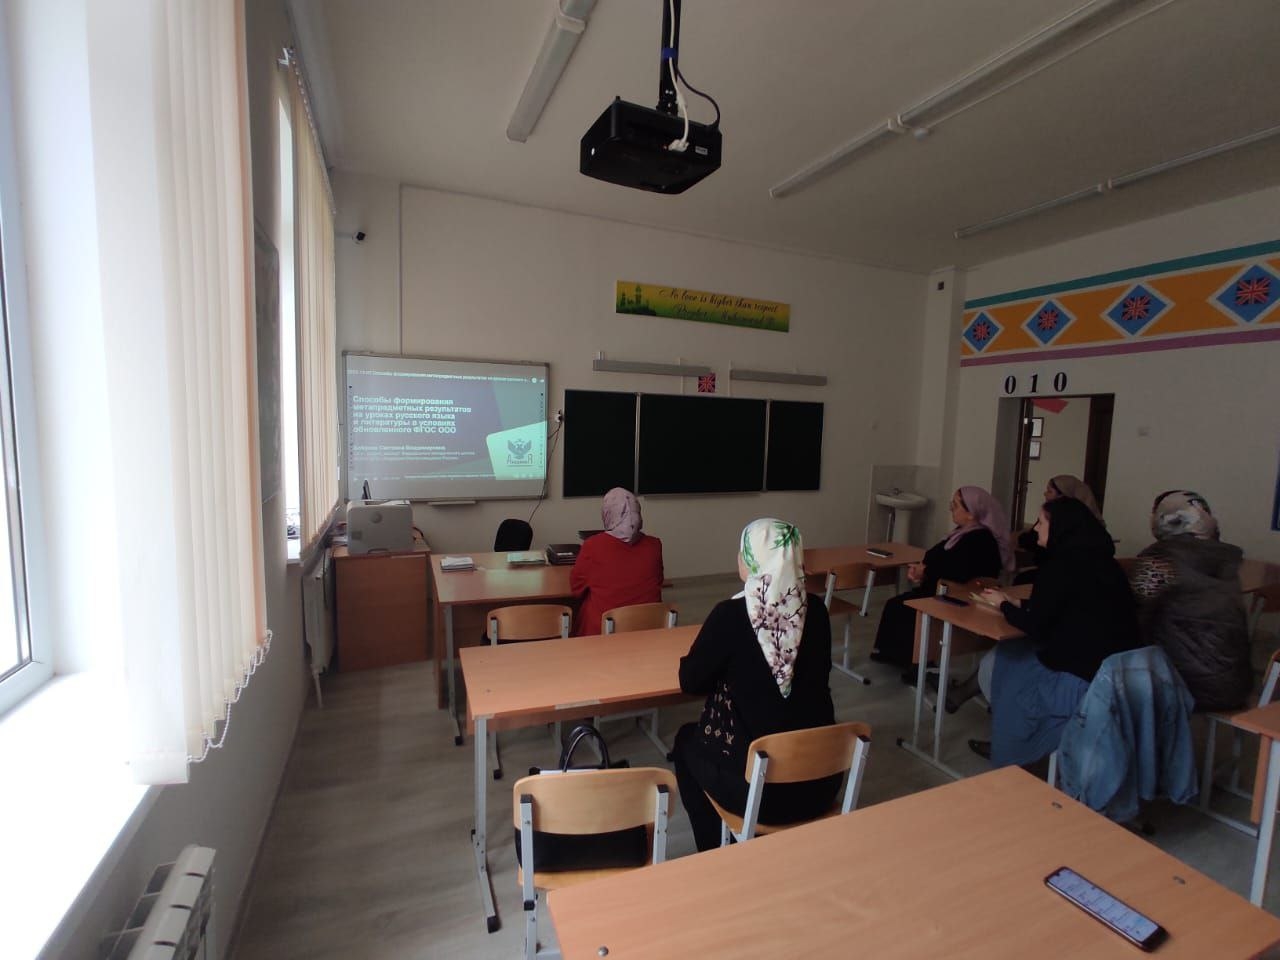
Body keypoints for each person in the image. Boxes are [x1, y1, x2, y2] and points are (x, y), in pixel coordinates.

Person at [672, 518, 837, 852]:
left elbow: (690, 680)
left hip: (759, 792)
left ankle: (717, 854)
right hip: (822, 780)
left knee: (686, 742)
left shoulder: (730, 615)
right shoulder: (818, 611)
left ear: (751, 560)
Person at [966, 496, 1139, 766]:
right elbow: (1070, 608)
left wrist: (1003, 605)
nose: (1035, 528)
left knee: (1009, 660)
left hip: (1078, 678)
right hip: (1116, 672)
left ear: (1059, 527)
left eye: (1041, 522)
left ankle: (1012, 749)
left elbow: (1037, 626)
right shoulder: (1106, 564)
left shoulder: (1060, 567)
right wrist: (1018, 604)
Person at [871, 486, 1013, 677]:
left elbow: (960, 572)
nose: (951, 508)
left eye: (955, 505)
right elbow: (939, 558)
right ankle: (899, 656)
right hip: (941, 589)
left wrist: (926, 571)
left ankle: (917, 661)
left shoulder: (980, 540)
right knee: (896, 605)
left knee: (901, 607)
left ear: (971, 513)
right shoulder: (963, 533)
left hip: (955, 596)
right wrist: (922, 570)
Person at [1129, 490, 1250, 711]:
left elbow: (1133, 611)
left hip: (1187, 685)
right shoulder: (1227, 559)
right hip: (1233, 684)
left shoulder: (1160, 558)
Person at [569, 488, 664, 636]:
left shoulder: (592, 546)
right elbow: (659, 581)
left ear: (607, 514)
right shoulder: (654, 545)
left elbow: (576, 588)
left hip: (603, 634)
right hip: (649, 631)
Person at [1014, 475, 1101, 583]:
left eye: (1050, 491)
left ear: (1063, 496)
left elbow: (1030, 540)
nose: (1045, 494)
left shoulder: (1063, 521)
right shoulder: (1085, 520)